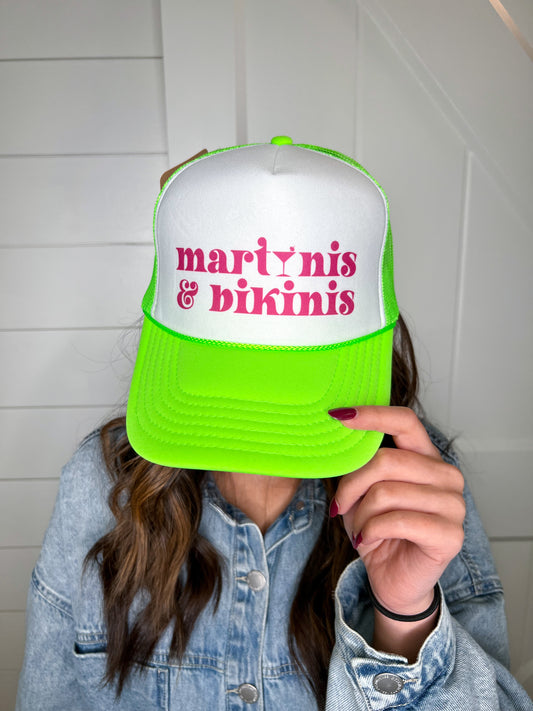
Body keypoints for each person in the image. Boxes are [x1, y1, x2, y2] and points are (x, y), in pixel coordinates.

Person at [16, 139, 533, 710]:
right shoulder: (97, 484)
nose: (256, 432)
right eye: (233, 369)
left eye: (287, 377)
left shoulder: (419, 490)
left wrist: (404, 618)